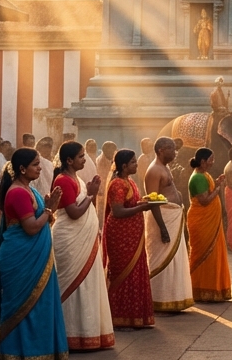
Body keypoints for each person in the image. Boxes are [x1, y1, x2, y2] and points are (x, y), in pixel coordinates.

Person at [0, 148, 69, 360]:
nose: (40, 167)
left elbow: (43, 224)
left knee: (41, 307)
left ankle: (39, 352)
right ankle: (18, 353)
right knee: (23, 310)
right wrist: (49, 209)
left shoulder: (29, 190)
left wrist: (48, 211)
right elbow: (32, 227)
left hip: (37, 257)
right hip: (21, 259)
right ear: (22, 169)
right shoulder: (17, 192)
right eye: (35, 164)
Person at [51, 141, 114, 351]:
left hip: (83, 238)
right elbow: (74, 212)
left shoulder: (75, 178)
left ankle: (86, 333)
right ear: (69, 160)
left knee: (87, 285)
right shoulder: (62, 180)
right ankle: (68, 335)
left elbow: (83, 209)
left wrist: (90, 193)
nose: (84, 159)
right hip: (70, 239)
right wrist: (92, 194)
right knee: (72, 285)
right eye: (80, 156)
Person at [103, 150, 155, 329]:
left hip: (133, 234)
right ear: (124, 166)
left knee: (136, 270)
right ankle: (119, 316)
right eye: (133, 162)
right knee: (123, 272)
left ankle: (135, 316)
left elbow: (129, 205)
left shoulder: (130, 181)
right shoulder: (118, 184)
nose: (136, 165)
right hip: (121, 235)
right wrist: (142, 209)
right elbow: (117, 211)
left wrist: (141, 205)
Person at [143, 137, 193, 313]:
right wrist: (163, 228)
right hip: (163, 220)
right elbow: (152, 201)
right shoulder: (154, 170)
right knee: (161, 259)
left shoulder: (165, 167)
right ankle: (159, 299)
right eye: (171, 148)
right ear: (161, 150)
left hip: (173, 217)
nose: (175, 152)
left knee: (175, 259)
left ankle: (173, 298)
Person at [188, 148, 231, 302]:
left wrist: (216, 183)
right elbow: (205, 200)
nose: (213, 163)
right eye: (211, 160)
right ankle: (199, 289)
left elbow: (208, 192)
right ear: (203, 161)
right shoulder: (198, 178)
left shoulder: (204, 175)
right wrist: (219, 189)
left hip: (211, 222)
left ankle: (212, 288)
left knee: (214, 256)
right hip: (202, 222)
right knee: (203, 255)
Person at [95, 141, 116, 225]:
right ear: (105, 151)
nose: (112, 153)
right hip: (102, 195)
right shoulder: (99, 162)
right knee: (102, 218)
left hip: (114, 193)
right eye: (110, 151)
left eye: (113, 151)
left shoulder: (114, 160)